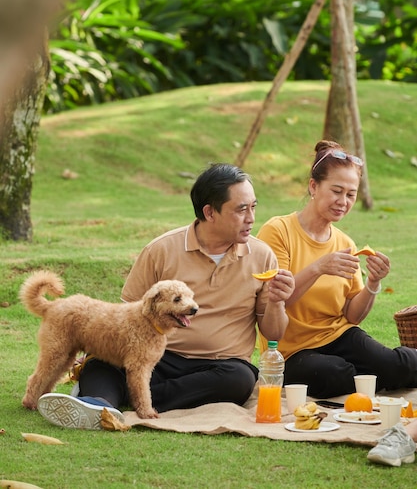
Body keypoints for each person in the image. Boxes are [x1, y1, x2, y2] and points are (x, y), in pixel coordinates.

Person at [37, 162, 295, 429]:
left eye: (253, 207)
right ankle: (102, 400)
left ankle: (114, 399)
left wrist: (277, 301)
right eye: (241, 209)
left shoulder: (263, 256)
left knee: (239, 380)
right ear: (209, 212)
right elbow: (125, 318)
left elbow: (273, 334)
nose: (251, 217)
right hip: (154, 355)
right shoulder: (160, 250)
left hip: (218, 366)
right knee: (103, 362)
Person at [256, 139, 417, 399]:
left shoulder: (344, 242)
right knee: (336, 374)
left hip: (340, 335)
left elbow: (352, 316)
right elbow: (277, 298)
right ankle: (367, 378)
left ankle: (380, 373)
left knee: (400, 367)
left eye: (351, 194)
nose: (343, 201)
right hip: (294, 350)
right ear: (313, 186)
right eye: (336, 191)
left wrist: (373, 283)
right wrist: (319, 267)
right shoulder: (278, 231)